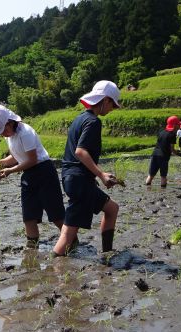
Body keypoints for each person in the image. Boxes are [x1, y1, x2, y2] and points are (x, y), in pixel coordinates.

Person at [52, 80, 121, 257]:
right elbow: (81, 152)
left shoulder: (79, 119)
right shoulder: (93, 122)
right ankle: (55, 268)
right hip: (80, 180)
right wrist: (101, 175)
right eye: (113, 104)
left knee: (111, 209)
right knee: (68, 234)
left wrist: (100, 174)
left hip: (73, 179)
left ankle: (107, 251)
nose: (113, 109)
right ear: (105, 100)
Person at [0, 105, 65, 248]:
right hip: (28, 174)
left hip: (44, 171)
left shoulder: (25, 133)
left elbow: (32, 159)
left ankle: (70, 240)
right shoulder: (10, 136)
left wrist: (10, 171)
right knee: (29, 215)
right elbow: (16, 156)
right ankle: (32, 248)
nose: (3, 134)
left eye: (4, 130)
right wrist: (1, 163)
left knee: (55, 213)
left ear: (10, 122)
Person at [145, 116, 181, 188]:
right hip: (163, 156)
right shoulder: (172, 134)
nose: (179, 126)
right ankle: (163, 192)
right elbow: (172, 149)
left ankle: (147, 190)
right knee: (163, 176)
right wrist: (178, 153)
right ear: (174, 125)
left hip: (155, 154)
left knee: (150, 175)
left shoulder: (162, 132)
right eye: (178, 124)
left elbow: (162, 144)